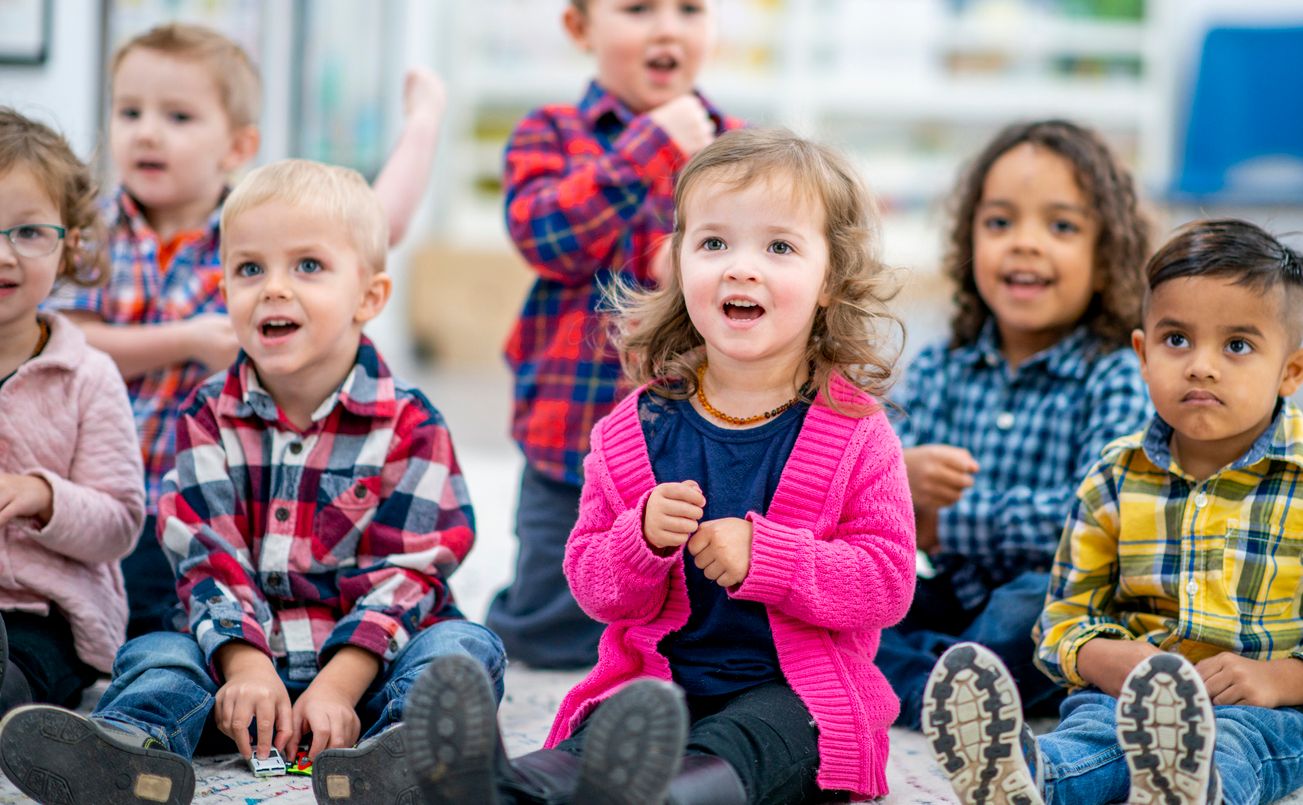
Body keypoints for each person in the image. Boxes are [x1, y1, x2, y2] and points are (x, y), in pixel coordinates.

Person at [409, 128, 917, 804]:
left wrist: (770, 557)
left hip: (797, 692)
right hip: (659, 683)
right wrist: (640, 540)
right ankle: (502, 786)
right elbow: (592, 584)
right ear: (676, 264)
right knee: (606, 731)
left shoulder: (855, 430)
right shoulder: (632, 431)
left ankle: (660, 795)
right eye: (713, 243)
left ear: (831, 281)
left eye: (778, 247)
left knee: (766, 734)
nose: (740, 267)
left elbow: (886, 581)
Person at [0, 160, 505, 805]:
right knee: (157, 652)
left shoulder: (410, 422)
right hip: (229, 668)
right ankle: (135, 754)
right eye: (249, 269)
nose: (273, 289)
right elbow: (207, 557)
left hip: (370, 669)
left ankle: (409, 750)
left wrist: (342, 685)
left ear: (371, 297)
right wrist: (245, 664)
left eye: (308, 267)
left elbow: (413, 571)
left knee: (464, 647)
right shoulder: (207, 415)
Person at [43, 22, 448, 638]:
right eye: (129, 112)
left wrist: (420, 127)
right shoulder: (94, 229)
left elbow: (376, 224)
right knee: (89, 618)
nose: (147, 131)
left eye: (178, 116)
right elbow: (70, 338)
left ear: (236, 147)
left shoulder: (257, 232)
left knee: (183, 623)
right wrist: (188, 339)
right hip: (105, 491)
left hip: (220, 502)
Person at [923, 219, 1303, 805]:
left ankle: (1197, 790)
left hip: (1261, 706)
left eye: (1237, 345)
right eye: (1177, 339)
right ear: (1143, 355)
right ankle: (1028, 776)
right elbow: (1060, 620)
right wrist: (1101, 655)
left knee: (1236, 743)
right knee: (1094, 732)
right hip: (1129, 692)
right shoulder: (1114, 477)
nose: (1202, 365)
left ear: (1291, 371)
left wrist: (1280, 679)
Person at [488, 0, 743, 668]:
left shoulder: (739, 149)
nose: (666, 28)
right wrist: (652, 145)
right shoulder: (550, 133)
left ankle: (655, 660)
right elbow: (547, 238)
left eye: (689, 9)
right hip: (569, 430)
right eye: (636, 9)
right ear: (579, 28)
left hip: (694, 432)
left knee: (693, 599)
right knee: (551, 617)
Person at [880, 119, 1154, 728]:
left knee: (1024, 609)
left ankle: (934, 684)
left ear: (1106, 254)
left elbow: (1091, 521)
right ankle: (952, 684)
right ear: (968, 240)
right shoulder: (940, 364)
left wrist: (941, 520)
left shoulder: (1115, 372)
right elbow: (868, 489)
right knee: (847, 606)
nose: (1025, 243)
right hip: (953, 593)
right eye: (1000, 222)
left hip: (1063, 603)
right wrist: (900, 476)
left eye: (1061, 226)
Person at [0, 109, 144, 718]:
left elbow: (120, 522)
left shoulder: (89, 375)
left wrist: (42, 495)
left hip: (47, 613)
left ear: (71, 244)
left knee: (22, 675)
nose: (5, 256)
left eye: (28, 232)